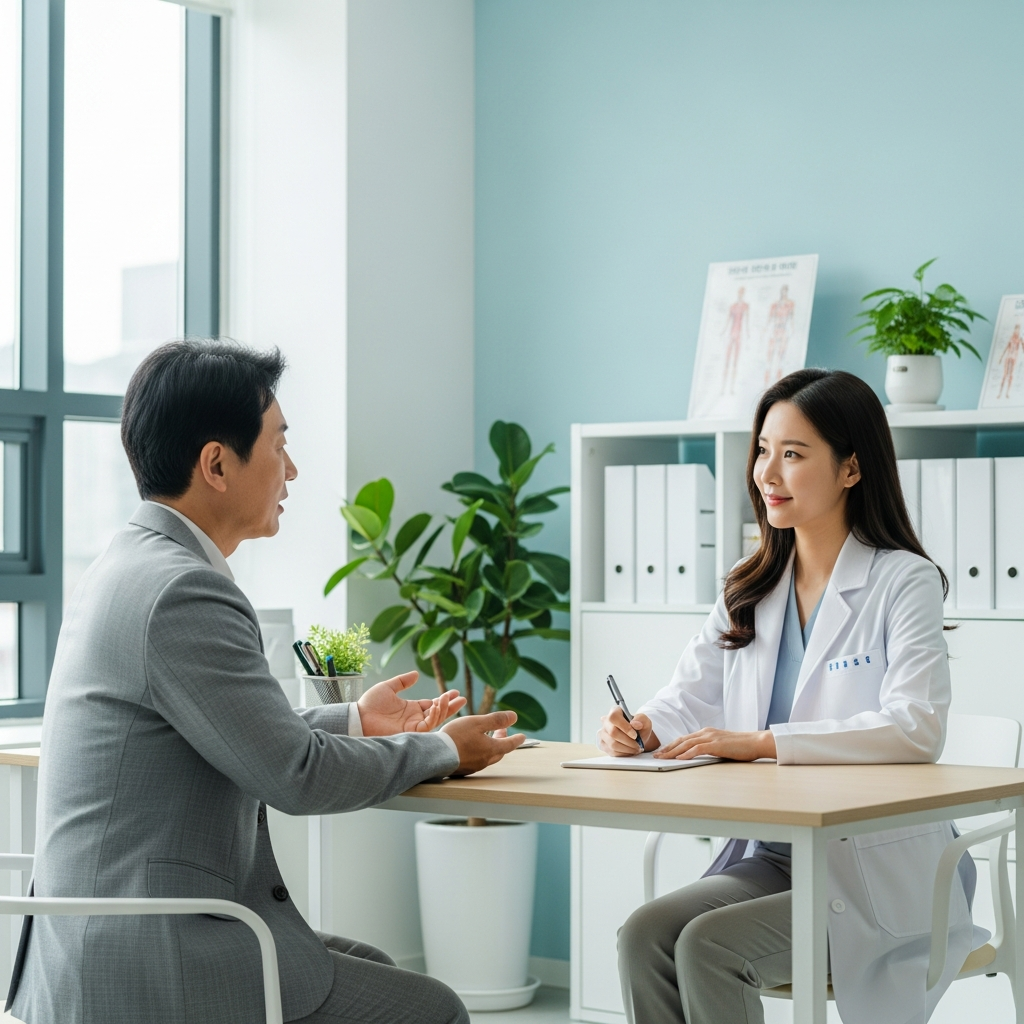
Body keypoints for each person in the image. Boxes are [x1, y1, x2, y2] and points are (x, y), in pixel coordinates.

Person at [8, 340, 524, 1024]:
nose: (293, 469)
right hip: (152, 953)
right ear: (217, 463)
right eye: (279, 444)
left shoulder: (129, 563)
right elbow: (295, 776)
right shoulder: (182, 591)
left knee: (375, 967)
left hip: (104, 937)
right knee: (433, 1012)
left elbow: (237, 733)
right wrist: (447, 751)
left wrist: (354, 721)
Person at [600, 368, 978, 1024]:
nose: (767, 473)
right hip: (777, 857)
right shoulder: (749, 586)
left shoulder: (902, 581)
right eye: (763, 451)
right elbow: (689, 696)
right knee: (645, 936)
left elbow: (917, 726)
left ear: (851, 469)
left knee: (708, 947)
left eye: (794, 455)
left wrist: (763, 743)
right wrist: (646, 729)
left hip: (882, 867)